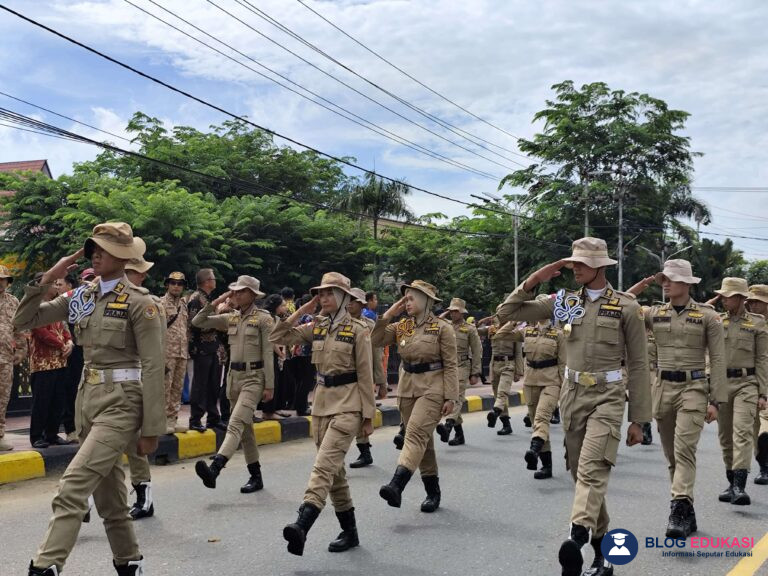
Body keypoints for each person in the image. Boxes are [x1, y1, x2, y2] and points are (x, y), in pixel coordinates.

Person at [15, 222, 165, 576]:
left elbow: (154, 366)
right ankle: (130, 563)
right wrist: (51, 274)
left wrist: (152, 427)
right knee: (111, 499)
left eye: (103, 248)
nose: (95, 254)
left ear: (123, 256)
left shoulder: (140, 303)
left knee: (72, 488)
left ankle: (45, 566)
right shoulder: (81, 296)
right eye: (92, 248)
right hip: (88, 402)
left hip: (123, 403)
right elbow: (25, 319)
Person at [497, 237, 650, 576]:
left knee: (592, 469)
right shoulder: (565, 301)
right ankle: (603, 553)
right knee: (582, 476)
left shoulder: (626, 307)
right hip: (572, 395)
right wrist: (536, 278)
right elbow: (506, 313)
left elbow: (638, 365)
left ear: (598, 266)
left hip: (609, 396)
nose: (573, 267)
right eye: (572, 262)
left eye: (580, 262)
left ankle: (576, 535)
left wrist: (639, 418)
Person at [270, 272, 375, 556]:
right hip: (321, 406)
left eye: (330, 293)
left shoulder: (358, 330)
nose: (324, 298)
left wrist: (368, 416)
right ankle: (350, 532)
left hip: (348, 405)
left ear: (343, 297)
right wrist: (304, 309)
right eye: (321, 293)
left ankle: (303, 523)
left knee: (322, 468)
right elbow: (277, 335)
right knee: (335, 473)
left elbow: (365, 375)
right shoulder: (317, 326)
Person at [628, 259, 725, 539]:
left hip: (694, 388)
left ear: (687, 283)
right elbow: (622, 304)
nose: (665, 284)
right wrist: (643, 284)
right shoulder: (654, 313)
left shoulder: (709, 316)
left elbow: (718, 359)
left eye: (671, 279)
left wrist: (715, 400)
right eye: (663, 280)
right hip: (662, 389)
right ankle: (687, 509)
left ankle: (678, 509)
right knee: (672, 456)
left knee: (684, 451)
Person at [373, 280, 459, 514]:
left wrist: (451, 397)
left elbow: (451, 365)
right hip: (408, 387)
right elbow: (375, 339)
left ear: (427, 300)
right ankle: (433, 492)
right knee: (424, 442)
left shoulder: (442, 328)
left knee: (414, 436)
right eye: (405, 299)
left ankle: (396, 485)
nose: (407, 302)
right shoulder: (403, 326)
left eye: (411, 298)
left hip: (433, 387)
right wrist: (391, 312)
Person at [192, 276, 274, 493]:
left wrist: (269, 385)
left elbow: (268, 353)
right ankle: (256, 477)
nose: (236, 295)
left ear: (253, 295)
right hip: (233, 379)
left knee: (235, 423)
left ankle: (215, 468)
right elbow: (198, 322)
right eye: (235, 291)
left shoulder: (264, 319)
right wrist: (221, 298)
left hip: (254, 378)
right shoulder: (231, 318)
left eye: (241, 292)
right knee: (246, 431)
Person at [707, 278, 767, 505]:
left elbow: (762, 359)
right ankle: (731, 482)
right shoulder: (715, 320)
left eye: (728, 295)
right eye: (721, 295)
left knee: (742, 432)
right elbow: (707, 353)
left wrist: (763, 392)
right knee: (725, 436)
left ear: (742, 298)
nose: (723, 299)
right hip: (722, 384)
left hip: (747, 383)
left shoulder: (757, 323)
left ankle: (740, 486)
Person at [519, 308, 566, 480]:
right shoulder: (527, 331)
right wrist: (515, 318)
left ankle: (534, 448)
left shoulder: (558, 334)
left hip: (551, 381)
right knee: (536, 423)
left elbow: (563, 362)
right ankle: (546, 466)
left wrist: (564, 387)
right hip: (531, 381)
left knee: (542, 418)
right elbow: (501, 335)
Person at [28, 275, 74, 448]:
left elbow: (65, 327)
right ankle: (36, 436)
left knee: (58, 400)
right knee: (42, 400)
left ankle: (52, 434)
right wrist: (62, 344)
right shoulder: (34, 306)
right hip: (42, 363)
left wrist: (69, 342)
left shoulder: (57, 306)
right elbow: (39, 330)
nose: (57, 286)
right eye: (53, 284)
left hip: (60, 361)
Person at [346, 287, 386, 468]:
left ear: (362, 304)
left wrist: (382, 382)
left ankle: (365, 452)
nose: (349, 304)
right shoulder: (339, 323)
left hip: (363, 378)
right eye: (348, 300)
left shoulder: (369, 326)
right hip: (343, 379)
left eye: (353, 301)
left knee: (361, 415)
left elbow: (377, 356)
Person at [436, 298, 482, 446]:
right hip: (446, 367)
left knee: (456, 398)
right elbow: (434, 323)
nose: (453, 314)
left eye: (456, 311)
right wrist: (444, 314)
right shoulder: (445, 325)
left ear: (462, 312)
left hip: (462, 365)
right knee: (449, 398)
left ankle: (448, 426)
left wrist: (475, 372)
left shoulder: (469, 329)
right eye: (451, 311)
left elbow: (477, 351)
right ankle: (460, 435)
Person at [187, 268, 225, 433]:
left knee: (213, 384)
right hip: (201, 347)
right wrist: (216, 324)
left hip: (213, 347)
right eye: (213, 279)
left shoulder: (208, 298)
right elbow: (193, 324)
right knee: (200, 385)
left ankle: (213, 418)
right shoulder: (196, 299)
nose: (215, 281)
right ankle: (195, 419)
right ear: (207, 281)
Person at [476, 317, 524, 436]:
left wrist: (519, 371)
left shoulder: (514, 331)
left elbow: (518, 352)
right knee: (498, 395)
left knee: (503, 392)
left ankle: (495, 412)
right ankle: (506, 424)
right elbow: (476, 330)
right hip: (494, 364)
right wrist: (482, 321)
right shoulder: (492, 329)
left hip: (508, 364)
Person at [55, 274, 85, 444]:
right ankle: (70, 428)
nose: (57, 287)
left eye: (60, 284)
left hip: (80, 350)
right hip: (63, 352)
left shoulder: (81, 302)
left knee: (80, 390)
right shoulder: (57, 305)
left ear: (70, 286)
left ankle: (81, 427)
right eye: (56, 284)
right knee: (68, 391)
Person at [159, 272, 189, 434]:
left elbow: (186, 328)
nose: (176, 286)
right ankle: (161, 421)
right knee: (164, 388)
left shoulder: (183, 305)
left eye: (180, 284)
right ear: (167, 285)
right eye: (173, 283)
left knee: (177, 388)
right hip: (166, 352)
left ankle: (172, 420)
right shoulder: (160, 303)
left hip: (182, 352)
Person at [0, 264, 26, 452]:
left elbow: (20, 327)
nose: (1, 283)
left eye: (3, 280)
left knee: (3, 397)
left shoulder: (13, 301)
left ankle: (0, 435)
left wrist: (21, 350)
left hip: (5, 359)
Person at [746, 284, 768, 484]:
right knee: (755, 428)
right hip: (753, 382)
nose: (752, 305)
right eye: (750, 301)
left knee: (764, 426)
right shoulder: (747, 324)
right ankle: (764, 466)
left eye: (757, 301)